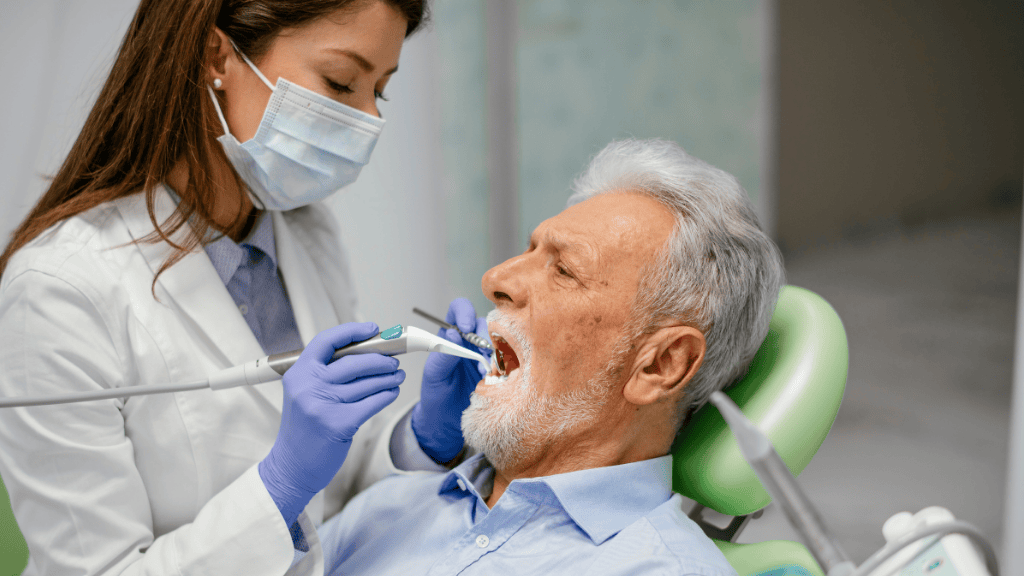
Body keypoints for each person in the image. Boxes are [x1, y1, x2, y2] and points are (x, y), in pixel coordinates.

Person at [0, 1, 488, 575]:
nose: (367, 120)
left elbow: (339, 490)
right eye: (341, 82)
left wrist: (421, 439)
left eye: (378, 91)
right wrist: (279, 485)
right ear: (217, 56)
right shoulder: (59, 289)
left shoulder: (305, 234)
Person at [318, 138, 785, 575]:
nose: (495, 278)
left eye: (563, 270)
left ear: (660, 365)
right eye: (528, 250)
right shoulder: (390, 504)